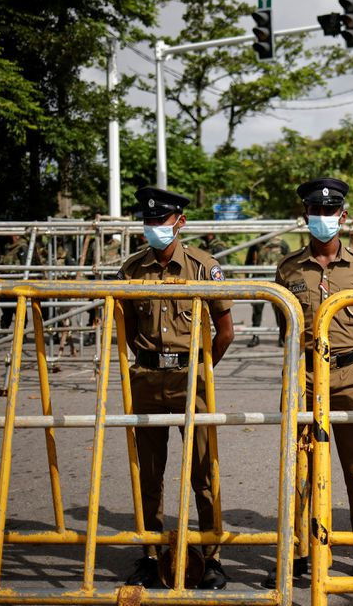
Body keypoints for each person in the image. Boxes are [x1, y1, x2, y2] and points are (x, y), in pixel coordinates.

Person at [268, 177, 353, 585]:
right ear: (306, 217)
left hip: (348, 376)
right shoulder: (287, 269)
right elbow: (283, 327)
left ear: (343, 215)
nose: (323, 218)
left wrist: (346, 362)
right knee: (299, 466)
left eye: (330, 211)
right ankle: (300, 550)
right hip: (301, 377)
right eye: (316, 212)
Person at [119, 187, 235, 590]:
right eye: (148, 222)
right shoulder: (132, 270)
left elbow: (225, 332)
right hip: (147, 379)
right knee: (148, 475)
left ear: (179, 223)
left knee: (205, 473)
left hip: (193, 380)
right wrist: (152, 362)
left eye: (161, 221)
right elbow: (128, 329)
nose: (154, 228)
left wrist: (200, 369)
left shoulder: (204, 268)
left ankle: (213, 555)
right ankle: (150, 554)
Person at [244, 236, 290, 347]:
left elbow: (289, 262)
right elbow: (248, 263)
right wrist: (248, 280)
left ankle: (282, 336)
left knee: (279, 309)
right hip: (259, 280)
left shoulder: (282, 243)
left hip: (276, 280)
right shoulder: (256, 243)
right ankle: (255, 336)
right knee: (257, 309)